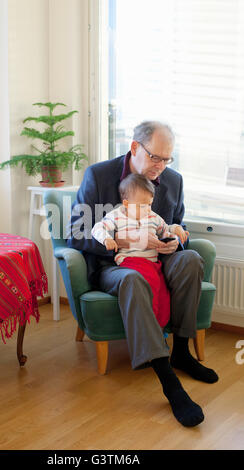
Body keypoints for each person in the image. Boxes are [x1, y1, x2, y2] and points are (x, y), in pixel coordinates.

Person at [67, 121, 218, 427]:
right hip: (116, 264)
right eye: (155, 158)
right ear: (135, 147)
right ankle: (169, 381)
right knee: (133, 280)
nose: (161, 167)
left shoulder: (173, 181)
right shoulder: (99, 176)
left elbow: (177, 224)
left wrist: (177, 238)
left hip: (158, 259)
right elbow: (76, 233)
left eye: (167, 159)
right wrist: (122, 241)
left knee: (190, 260)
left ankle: (182, 352)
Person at [91, 173, 189, 329]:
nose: (147, 210)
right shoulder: (116, 216)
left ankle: (159, 326)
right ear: (126, 203)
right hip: (130, 262)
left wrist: (175, 231)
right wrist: (106, 239)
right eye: (142, 206)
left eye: (149, 204)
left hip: (152, 263)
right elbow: (98, 228)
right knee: (150, 284)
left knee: (163, 291)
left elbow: (165, 230)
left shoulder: (153, 217)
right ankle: (153, 328)